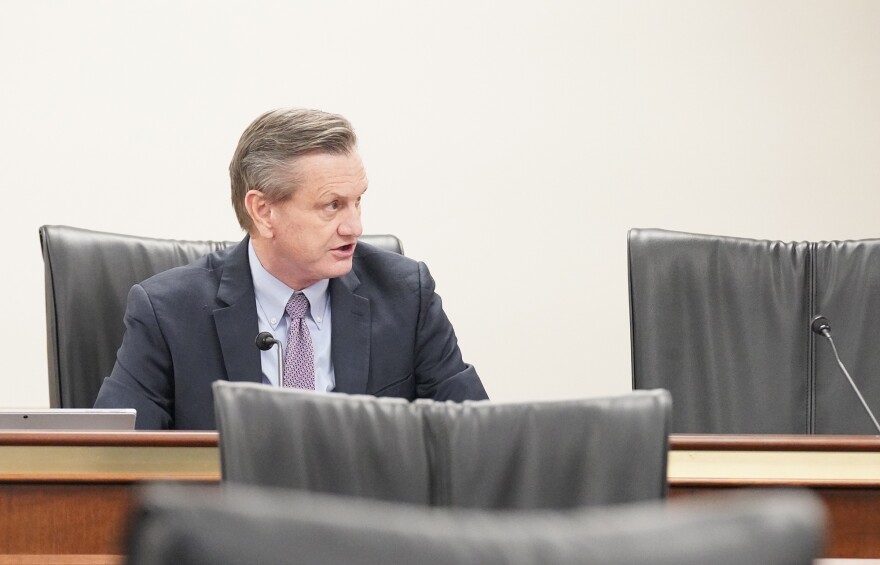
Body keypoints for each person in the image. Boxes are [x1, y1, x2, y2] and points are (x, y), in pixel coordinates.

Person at [94, 108, 488, 429]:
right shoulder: (167, 313)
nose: (355, 227)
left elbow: (477, 438)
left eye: (357, 201)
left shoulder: (405, 295)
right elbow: (115, 461)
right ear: (263, 212)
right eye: (332, 205)